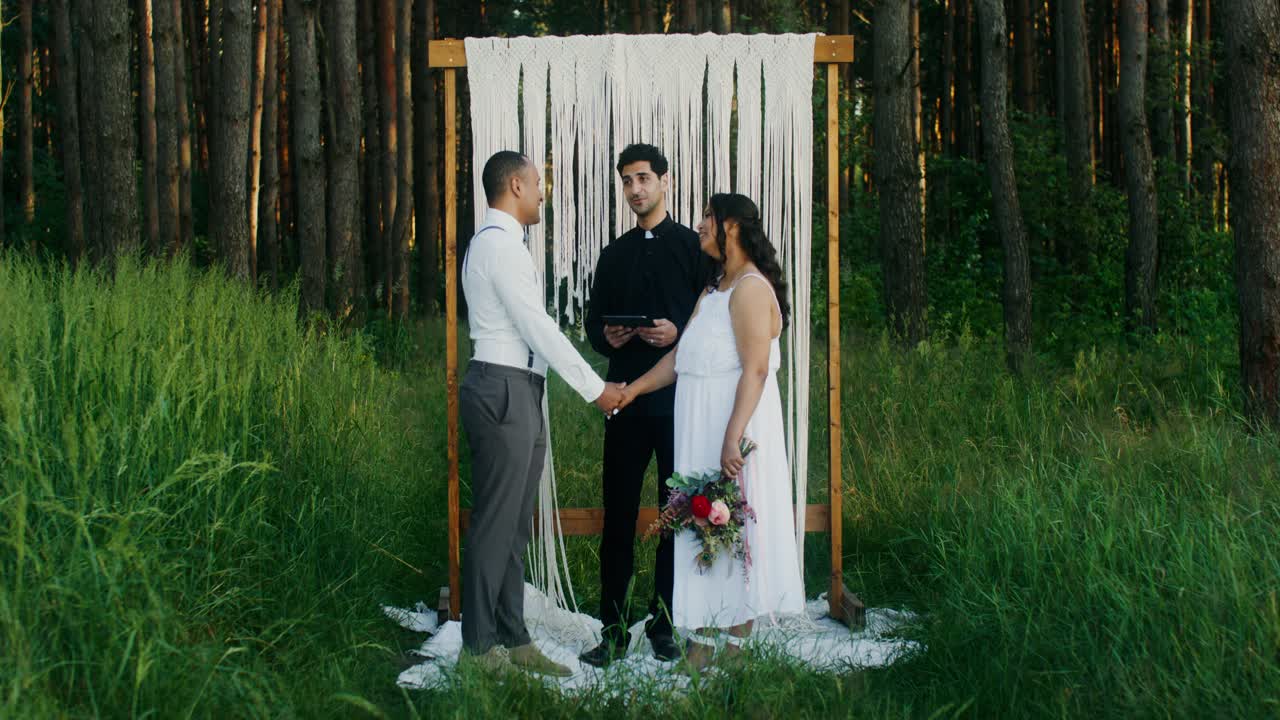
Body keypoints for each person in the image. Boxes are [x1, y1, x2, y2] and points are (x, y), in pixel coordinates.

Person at [614, 193, 805, 671]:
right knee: (697, 527)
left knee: (732, 529)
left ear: (733, 227)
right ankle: (699, 639)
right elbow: (681, 360)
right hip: (697, 425)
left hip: (731, 424)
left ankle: (736, 648)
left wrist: (731, 437)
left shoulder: (751, 290)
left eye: (707, 217)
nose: (699, 225)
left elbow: (756, 370)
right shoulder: (714, 288)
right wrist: (632, 390)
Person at [459, 150, 626, 676]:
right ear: (514, 185)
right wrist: (595, 388)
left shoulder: (503, 245)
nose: (541, 192)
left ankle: (513, 637)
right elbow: (538, 328)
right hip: (503, 387)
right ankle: (480, 649)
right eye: (536, 183)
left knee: (513, 526)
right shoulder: (498, 247)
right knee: (495, 523)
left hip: (520, 388)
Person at [578, 144, 711, 667]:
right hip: (626, 402)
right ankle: (612, 629)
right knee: (619, 516)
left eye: (643, 179)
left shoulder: (694, 249)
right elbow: (593, 326)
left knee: (674, 518)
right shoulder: (613, 253)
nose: (635, 189)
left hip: (681, 404)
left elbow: (711, 320)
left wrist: (680, 330)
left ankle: (664, 624)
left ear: (665, 181)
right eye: (627, 181)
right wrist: (608, 336)